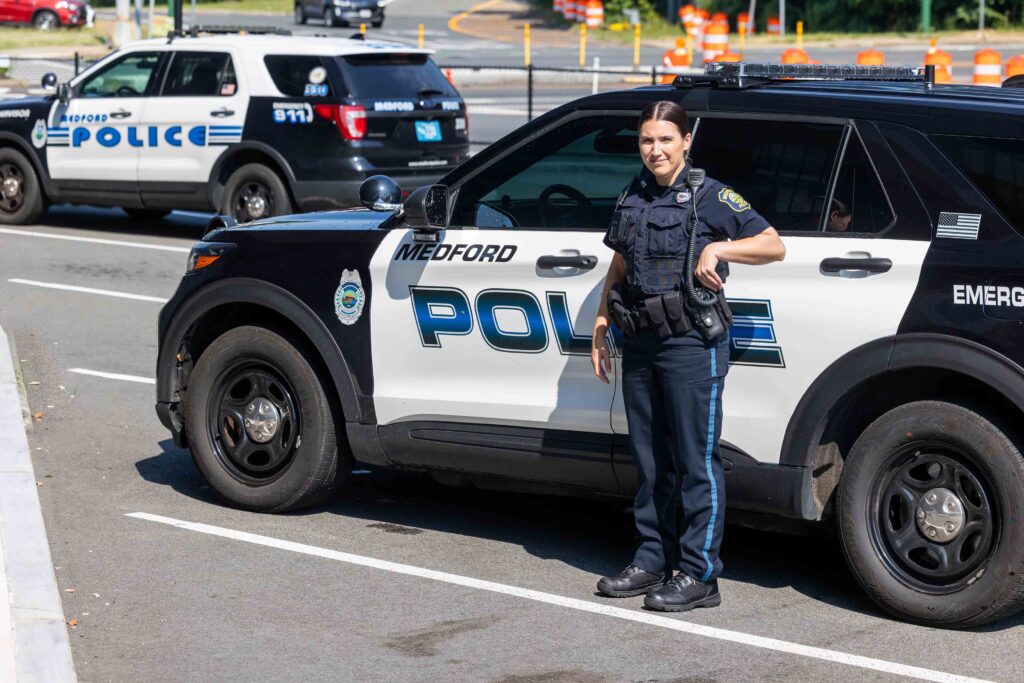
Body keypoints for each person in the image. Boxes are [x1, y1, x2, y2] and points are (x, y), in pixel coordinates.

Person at [592, 101, 785, 612]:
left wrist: (718, 250)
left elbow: (772, 244)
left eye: (664, 140)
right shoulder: (632, 193)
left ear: (685, 142)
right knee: (651, 463)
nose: (655, 150)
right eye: (646, 141)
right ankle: (651, 560)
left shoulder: (711, 195)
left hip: (690, 344)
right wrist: (601, 318)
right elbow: (620, 260)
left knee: (695, 462)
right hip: (640, 339)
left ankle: (700, 575)